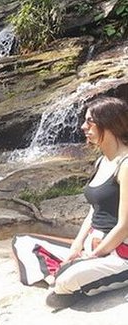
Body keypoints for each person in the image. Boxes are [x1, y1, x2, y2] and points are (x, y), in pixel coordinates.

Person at [12, 96, 128, 310]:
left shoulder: (126, 165)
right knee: (23, 242)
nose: (83, 127)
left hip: (120, 253)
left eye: (89, 121)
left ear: (109, 123)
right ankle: (64, 280)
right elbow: (93, 211)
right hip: (92, 246)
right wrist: (76, 247)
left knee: (68, 278)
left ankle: (65, 280)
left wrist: (93, 255)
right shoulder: (102, 161)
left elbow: (123, 226)